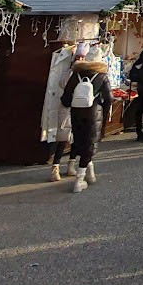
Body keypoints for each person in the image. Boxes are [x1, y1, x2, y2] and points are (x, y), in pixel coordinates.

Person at [60, 46, 113, 193]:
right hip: (94, 112)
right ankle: (79, 179)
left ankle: (90, 173)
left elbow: (65, 97)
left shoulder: (76, 74)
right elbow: (109, 98)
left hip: (76, 111)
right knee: (90, 143)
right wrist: (102, 107)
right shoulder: (101, 76)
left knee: (79, 139)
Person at [42, 43, 77, 178]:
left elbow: (61, 84)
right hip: (75, 108)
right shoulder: (78, 74)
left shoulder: (68, 73)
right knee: (68, 137)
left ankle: (59, 167)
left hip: (66, 106)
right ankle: (64, 166)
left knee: (66, 137)